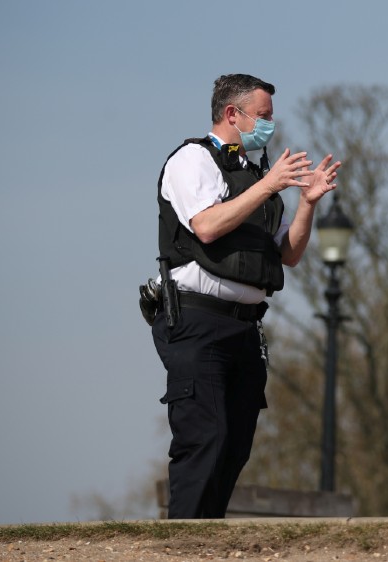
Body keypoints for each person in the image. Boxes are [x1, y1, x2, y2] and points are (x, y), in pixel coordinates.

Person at [150, 73, 341, 519]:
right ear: (232, 114)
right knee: (205, 436)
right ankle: (184, 542)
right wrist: (269, 186)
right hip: (197, 321)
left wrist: (308, 203)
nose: (270, 125)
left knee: (235, 444)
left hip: (245, 328)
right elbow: (206, 226)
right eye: (263, 116)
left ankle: (208, 535)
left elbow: (288, 254)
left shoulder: (254, 176)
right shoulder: (192, 160)